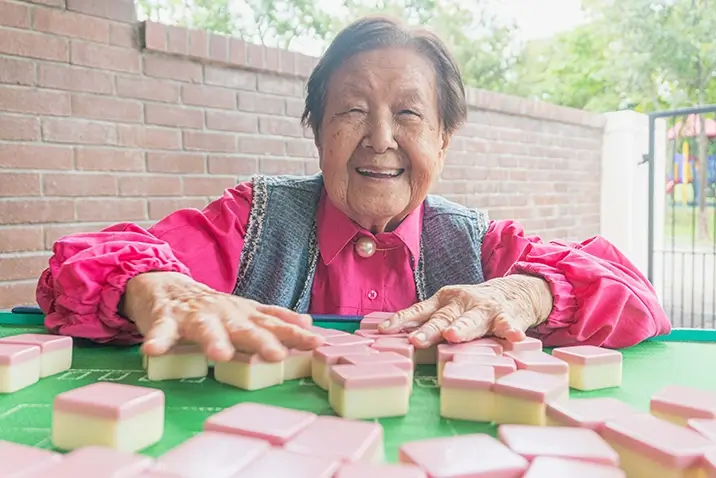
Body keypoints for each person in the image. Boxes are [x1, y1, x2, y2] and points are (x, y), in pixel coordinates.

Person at [35, 16, 670, 364]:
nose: (380, 139)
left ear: (445, 138)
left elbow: (632, 296)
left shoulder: (481, 246)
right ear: (316, 131)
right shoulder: (252, 219)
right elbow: (80, 263)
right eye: (351, 111)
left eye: (411, 115)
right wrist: (158, 290)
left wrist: (527, 291)